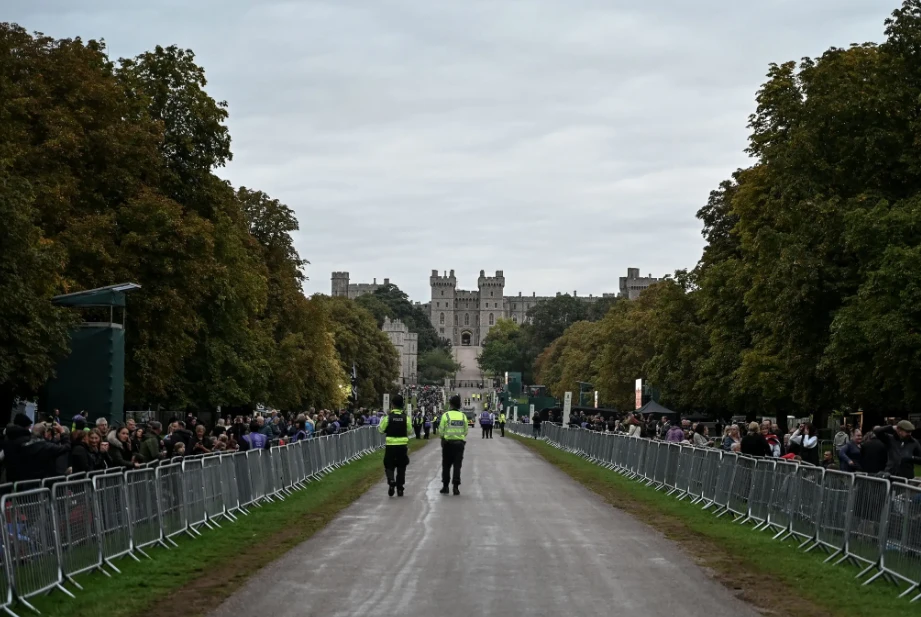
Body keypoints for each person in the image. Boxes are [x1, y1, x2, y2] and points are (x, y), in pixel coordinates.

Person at [378, 394, 410, 497]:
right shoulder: (406, 418)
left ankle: (391, 480)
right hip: (402, 446)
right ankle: (400, 488)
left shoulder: (388, 418)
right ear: (402, 405)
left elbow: (381, 430)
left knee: (389, 464)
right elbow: (410, 430)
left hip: (390, 445)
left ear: (392, 404)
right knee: (401, 466)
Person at [439, 395, 468, 496]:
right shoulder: (463, 416)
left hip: (448, 444)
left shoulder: (445, 415)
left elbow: (441, 431)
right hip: (459, 444)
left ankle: (445, 486)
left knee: (446, 466)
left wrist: (444, 437)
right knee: (457, 466)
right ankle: (456, 487)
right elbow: (465, 431)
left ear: (450, 404)